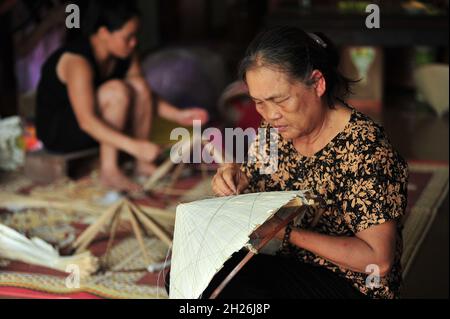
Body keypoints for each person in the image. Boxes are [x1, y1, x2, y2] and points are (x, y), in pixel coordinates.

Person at [210, 26, 408, 299]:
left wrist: (283, 231)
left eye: (279, 100)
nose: (269, 114)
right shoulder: (275, 129)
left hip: (350, 283)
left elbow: (378, 261)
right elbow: (254, 174)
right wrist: (234, 176)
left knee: (235, 295)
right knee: (200, 277)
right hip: (291, 264)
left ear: (317, 83)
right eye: (258, 102)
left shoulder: (367, 149)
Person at [36, 0, 208, 192]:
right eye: (127, 37)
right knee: (117, 90)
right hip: (61, 133)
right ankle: (109, 170)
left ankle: (142, 164)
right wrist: (135, 146)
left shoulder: (125, 53)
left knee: (139, 86)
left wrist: (178, 115)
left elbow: (145, 95)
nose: (133, 42)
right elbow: (86, 121)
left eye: (135, 36)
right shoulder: (77, 60)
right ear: (103, 33)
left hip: (99, 127)